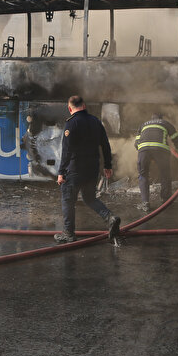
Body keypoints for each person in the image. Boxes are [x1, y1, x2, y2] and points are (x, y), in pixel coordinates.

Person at [54, 95, 121, 244]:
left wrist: (61, 172)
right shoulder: (96, 122)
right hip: (92, 170)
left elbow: (67, 151)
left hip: (75, 169)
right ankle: (110, 217)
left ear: (70, 108)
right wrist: (108, 165)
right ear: (84, 105)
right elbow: (105, 145)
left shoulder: (71, 124)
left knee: (68, 199)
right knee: (89, 198)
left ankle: (69, 233)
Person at [134, 113, 178, 212]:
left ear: (151, 118)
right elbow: (176, 139)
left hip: (143, 150)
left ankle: (145, 203)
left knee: (143, 175)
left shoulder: (143, 125)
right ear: (161, 118)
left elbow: (136, 144)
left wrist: (146, 154)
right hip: (161, 150)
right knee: (165, 174)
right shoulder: (165, 123)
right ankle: (166, 201)